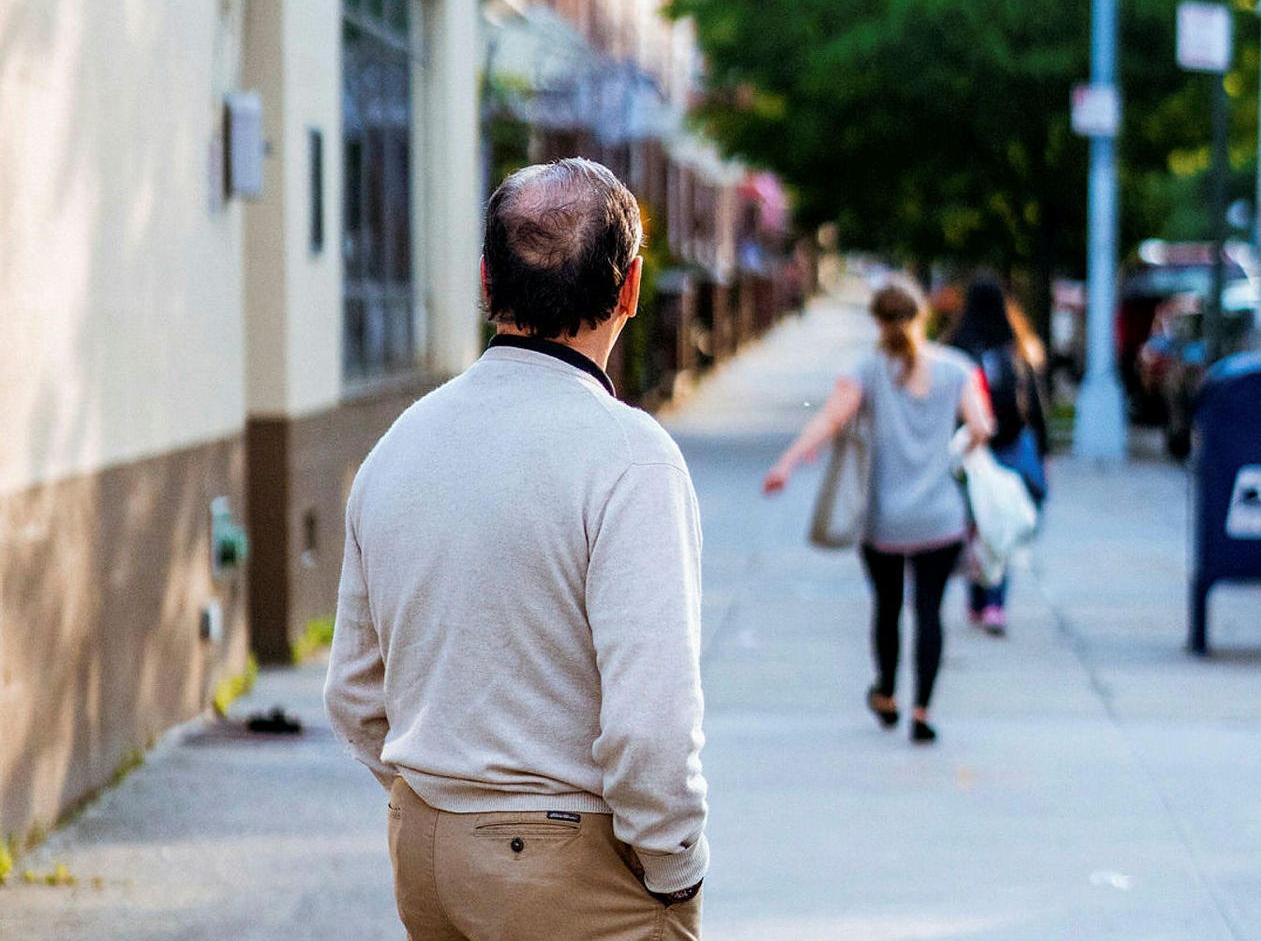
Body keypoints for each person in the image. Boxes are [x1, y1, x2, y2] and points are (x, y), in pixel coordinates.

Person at [325, 159, 708, 941]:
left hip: (426, 850)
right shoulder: (629, 458)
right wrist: (676, 869)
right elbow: (650, 731)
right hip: (570, 868)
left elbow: (354, 695)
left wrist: (436, 795)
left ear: (485, 283)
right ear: (631, 289)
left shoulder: (400, 444)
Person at [763, 277, 993, 744]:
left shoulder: (865, 370)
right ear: (922, 316)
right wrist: (957, 450)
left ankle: (887, 695)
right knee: (929, 612)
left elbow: (830, 419)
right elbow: (982, 427)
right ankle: (923, 710)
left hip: (885, 519)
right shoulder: (957, 369)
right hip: (941, 518)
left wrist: (786, 464)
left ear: (877, 322)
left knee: (887, 608)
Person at [946, 278, 1051, 637]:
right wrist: (1045, 452)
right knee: (1001, 522)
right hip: (1010, 444)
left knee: (976, 522)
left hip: (971, 447)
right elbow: (1036, 406)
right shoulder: (1017, 348)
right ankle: (995, 602)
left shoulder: (956, 348)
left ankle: (976, 597)